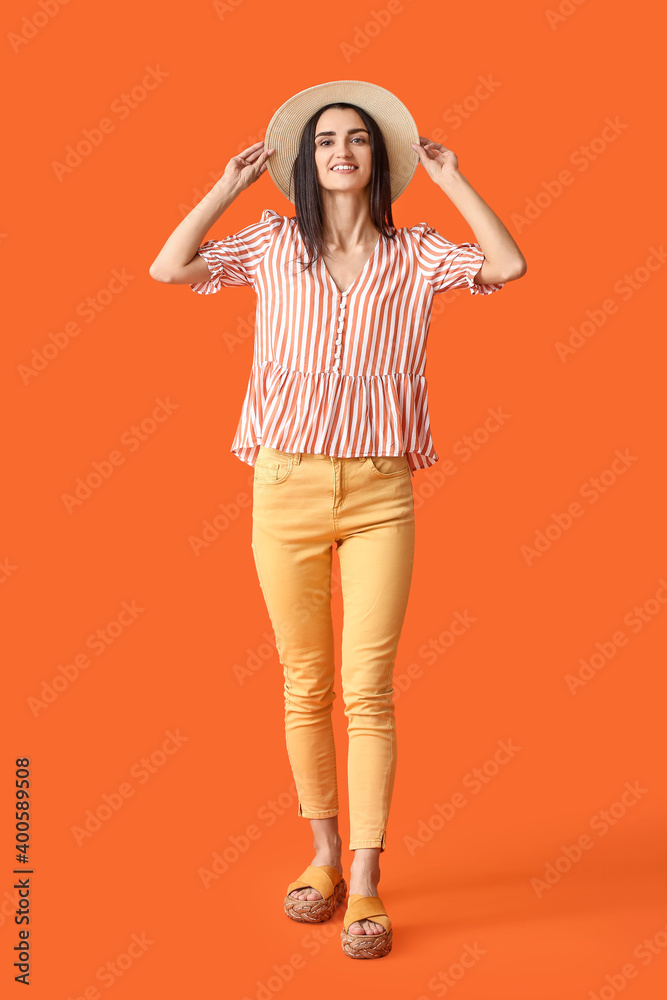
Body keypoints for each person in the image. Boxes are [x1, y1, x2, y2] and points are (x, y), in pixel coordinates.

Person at [149, 80, 527, 959]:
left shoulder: (420, 253)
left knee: (368, 689)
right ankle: (318, 857)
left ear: (380, 159)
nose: (341, 152)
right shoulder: (273, 244)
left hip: (379, 491)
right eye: (324, 142)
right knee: (303, 681)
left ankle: (363, 877)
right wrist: (227, 185)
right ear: (306, 164)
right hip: (281, 486)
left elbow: (506, 266)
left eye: (357, 139)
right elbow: (171, 267)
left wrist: (453, 177)